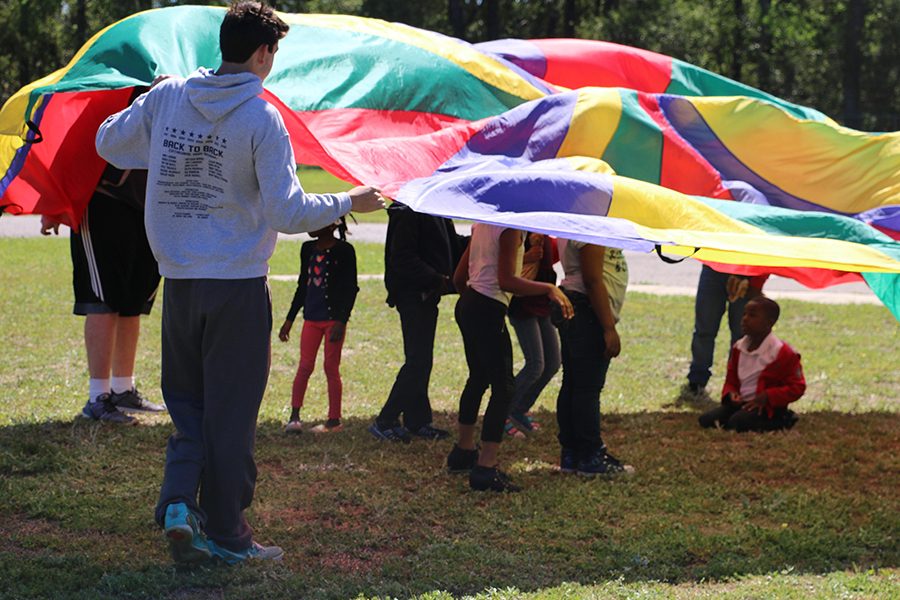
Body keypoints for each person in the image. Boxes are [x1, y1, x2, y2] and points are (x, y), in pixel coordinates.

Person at [95, 1, 384, 565]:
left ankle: (180, 504)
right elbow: (287, 210)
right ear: (262, 53)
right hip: (236, 286)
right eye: (274, 52)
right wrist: (352, 201)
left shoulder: (169, 96)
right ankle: (229, 535)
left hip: (178, 284)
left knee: (189, 407)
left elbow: (109, 143)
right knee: (230, 415)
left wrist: (150, 104)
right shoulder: (261, 117)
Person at [447, 224, 572, 492]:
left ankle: (463, 451)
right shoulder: (510, 229)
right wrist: (549, 289)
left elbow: (459, 277)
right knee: (503, 388)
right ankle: (485, 467)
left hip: (469, 304)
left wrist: (474, 304)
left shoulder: (481, 224)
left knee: (478, 379)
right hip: (487, 307)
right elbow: (506, 281)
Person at [40, 164, 164, 425]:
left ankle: (122, 389)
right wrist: (52, 205)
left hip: (147, 205)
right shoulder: (101, 120)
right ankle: (98, 396)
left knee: (133, 302)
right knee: (103, 300)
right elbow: (71, 144)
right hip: (102, 201)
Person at [368, 201, 468, 443]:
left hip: (426, 293)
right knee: (418, 360)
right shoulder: (407, 209)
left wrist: (480, 235)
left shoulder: (431, 204)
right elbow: (401, 258)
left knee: (422, 359)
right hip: (413, 294)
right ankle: (386, 420)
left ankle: (418, 420)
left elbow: (450, 243)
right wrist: (437, 279)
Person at [555, 239, 633, 477]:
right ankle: (590, 456)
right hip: (587, 310)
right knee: (586, 389)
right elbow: (592, 278)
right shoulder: (589, 223)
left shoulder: (583, 216)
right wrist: (608, 327)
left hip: (578, 305)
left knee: (574, 385)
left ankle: (572, 454)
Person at [279, 218, 357, 434]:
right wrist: (290, 319)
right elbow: (302, 284)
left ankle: (334, 420)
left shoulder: (345, 251)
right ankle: (294, 416)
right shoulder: (307, 249)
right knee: (305, 366)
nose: (311, 226)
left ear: (332, 225)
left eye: (318, 221)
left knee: (331, 368)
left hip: (333, 320)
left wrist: (341, 321)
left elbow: (351, 288)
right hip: (311, 318)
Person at [699, 296, 805, 432]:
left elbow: (797, 387)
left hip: (766, 407)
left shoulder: (782, 353)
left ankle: (783, 419)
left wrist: (768, 396)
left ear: (769, 323)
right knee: (706, 421)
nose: (745, 319)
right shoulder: (739, 347)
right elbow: (731, 379)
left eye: (752, 315)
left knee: (738, 423)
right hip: (741, 403)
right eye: (744, 314)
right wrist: (731, 393)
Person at [681, 265, 769, 403]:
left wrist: (757, 282)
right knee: (704, 330)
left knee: (742, 336)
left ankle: (736, 387)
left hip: (746, 271)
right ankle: (696, 382)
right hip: (713, 268)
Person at [505, 232, 560, 437]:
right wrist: (527, 257)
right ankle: (501, 412)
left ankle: (519, 409)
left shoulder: (543, 228)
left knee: (553, 363)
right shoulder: (517, 227)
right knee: (535, 365)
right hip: (522, 302)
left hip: (541, 299)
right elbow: (502, 263)